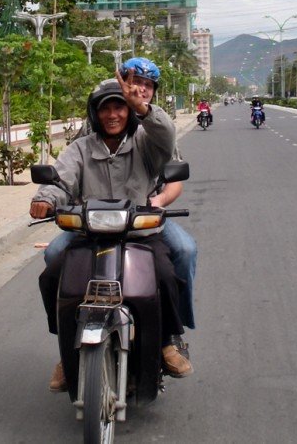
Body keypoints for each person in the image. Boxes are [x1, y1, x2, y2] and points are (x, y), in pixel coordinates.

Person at [32, 73, 193, 392]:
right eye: (105, 108)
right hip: (89, 234)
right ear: (95, 113)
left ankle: (166, 343)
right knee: (52, 275)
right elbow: (60, 181)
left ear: (129, 111)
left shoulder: (146, 142)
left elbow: (167, 135)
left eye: (120, 107)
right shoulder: (80, 148)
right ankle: (68, 351)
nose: (113, 114)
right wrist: (44, 199)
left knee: (164, 274)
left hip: (139, 234)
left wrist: (143, 108)